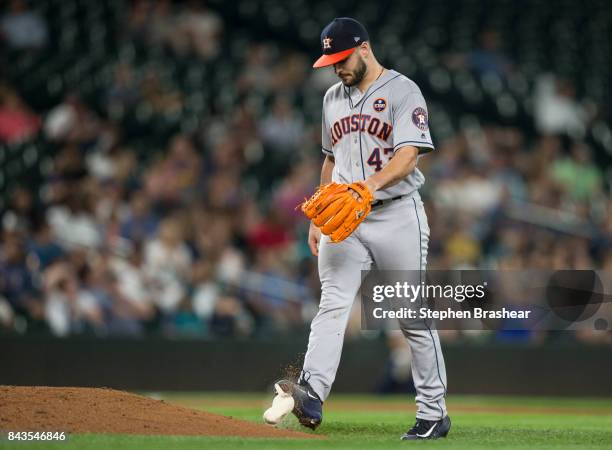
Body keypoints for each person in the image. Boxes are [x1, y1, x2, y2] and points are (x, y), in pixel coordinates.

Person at [264, 18, 450, 440]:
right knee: (332, 303)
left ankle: (434, 412)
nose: (336, 68)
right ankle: (311, 392)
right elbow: (331, 159)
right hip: (345, 216)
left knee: (409, 314)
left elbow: (409, 156)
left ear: (364, 48)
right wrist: (317, 215)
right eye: (330, 61)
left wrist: (368, 187)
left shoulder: (403, 91)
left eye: (342, 59)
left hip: (396, 212)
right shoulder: (332, 97)